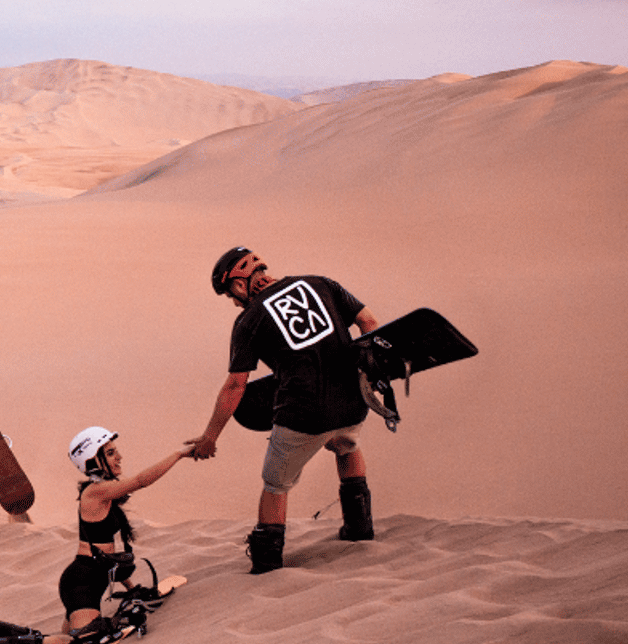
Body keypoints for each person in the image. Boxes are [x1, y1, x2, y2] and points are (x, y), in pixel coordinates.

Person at [191, 247, 381, 573]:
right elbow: (368, 322)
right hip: (354, 401)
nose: (235, 303)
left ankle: (267, 560)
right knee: (346, 444)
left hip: (302, 414)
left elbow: (236, 386)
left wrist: (210, 437)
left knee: (275, 483)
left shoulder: (248, 320)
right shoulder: (321, 283)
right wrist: (373, 371)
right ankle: (359, 527)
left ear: (238, 285)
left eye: (230, 296)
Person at [52, 426, 194, 640]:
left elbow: (106, 557)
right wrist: (179, 454)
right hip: (81, 583)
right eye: (110, 453)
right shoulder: (95, 492)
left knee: (68, 640)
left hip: (91, 580)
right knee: (84, 640)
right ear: (91, 460)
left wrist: (132, 588)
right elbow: (140, 481)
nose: (119, 458)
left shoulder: (101, 492)